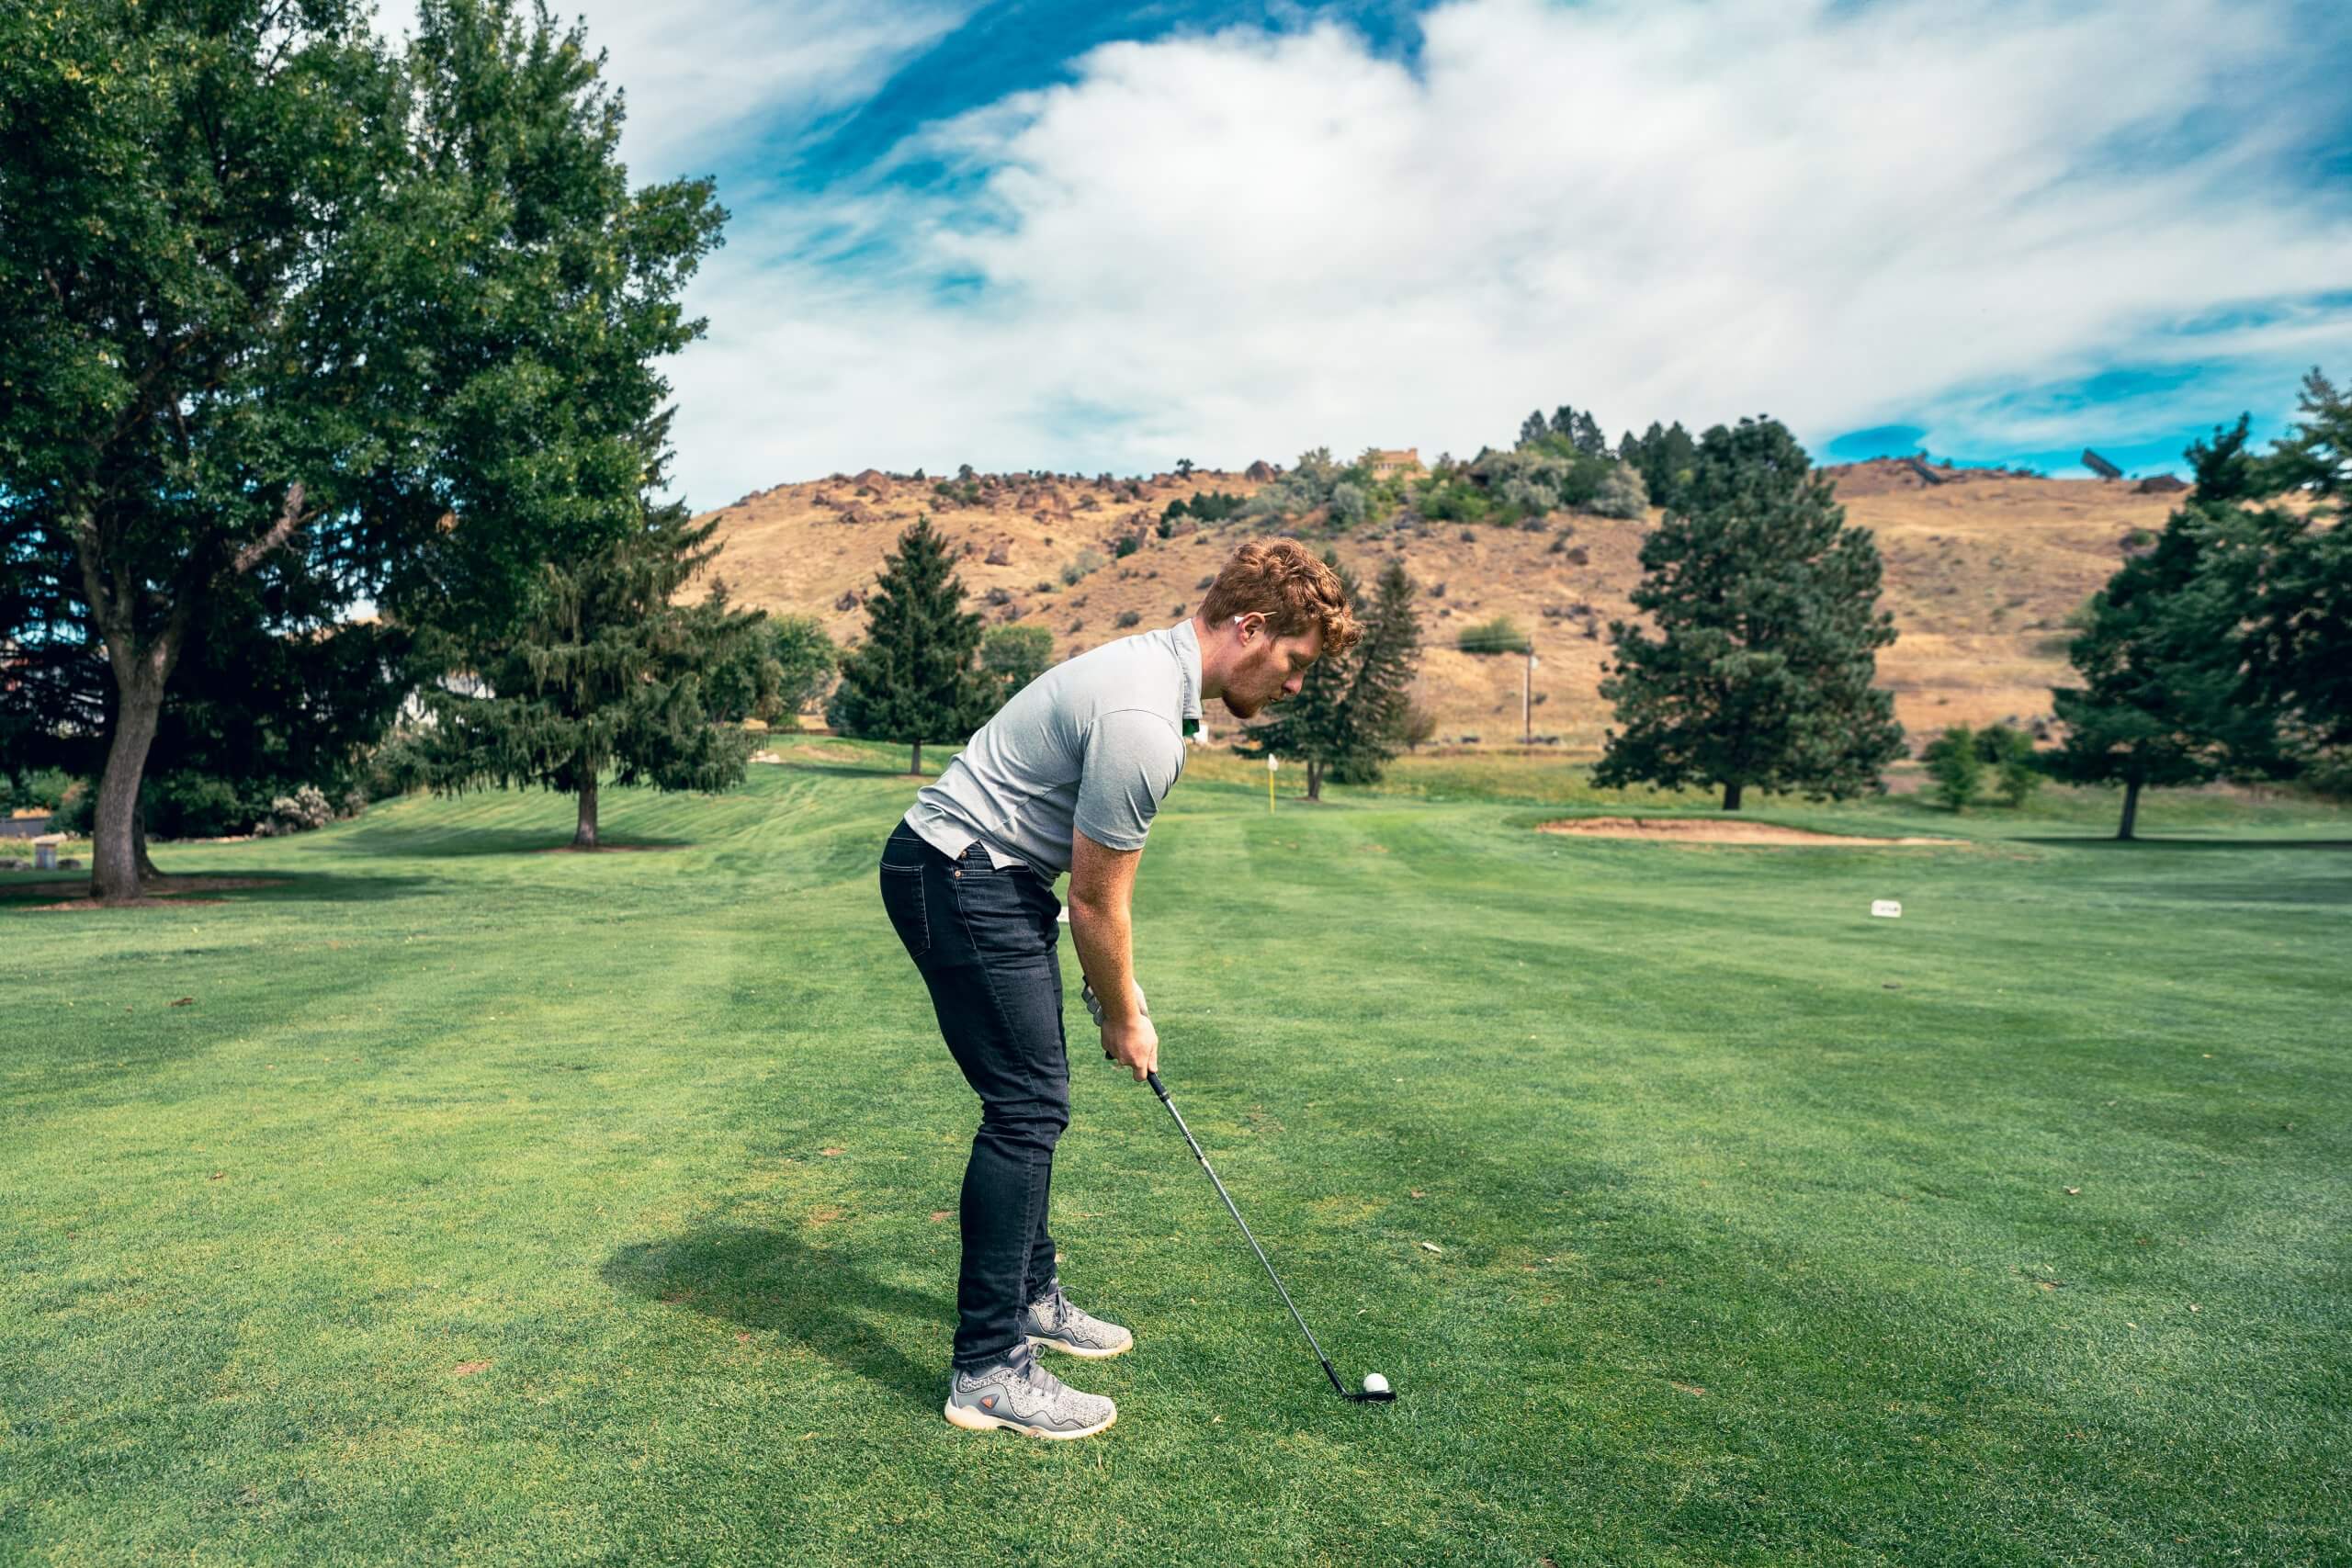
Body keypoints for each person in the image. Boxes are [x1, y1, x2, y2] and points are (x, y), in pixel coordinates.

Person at [877, 537, 1360, 1438]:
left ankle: (1028, 1295)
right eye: (1294, 663)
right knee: (1025, 1107)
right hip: (959, 873)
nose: (1296, 685)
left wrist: (1114, 996)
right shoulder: (1144, 717)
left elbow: (1083, 893)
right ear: (1249, 628)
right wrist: (1127, 1015)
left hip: (987, 875)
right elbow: (1098, 901)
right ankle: (986, 1370)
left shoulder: (1156, 684)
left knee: (1035, 1097)